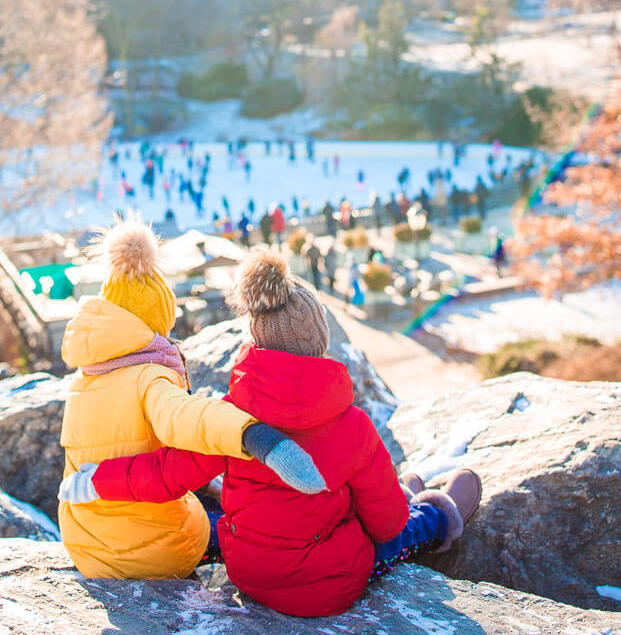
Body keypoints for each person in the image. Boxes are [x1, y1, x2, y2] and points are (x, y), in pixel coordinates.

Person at [61, 250, 481, 619]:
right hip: (327, 588)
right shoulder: (352, 426)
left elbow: (164, 474)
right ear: (320, 345)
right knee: (395, 534)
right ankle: (441, 517)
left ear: (256, 343)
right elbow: (387, 526)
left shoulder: (230, 421)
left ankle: (406, 494)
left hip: (248, 575)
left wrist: (94, 480)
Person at [57, 215, 324, 579]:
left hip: (85, 542)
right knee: (233, 526)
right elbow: (184, 418)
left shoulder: (84, 377)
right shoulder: (149, 377)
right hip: (149, 551)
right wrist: (253, 434)